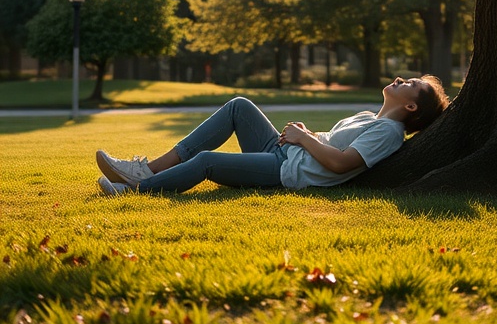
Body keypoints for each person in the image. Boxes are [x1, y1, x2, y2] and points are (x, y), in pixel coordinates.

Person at [96, 76, 449, 197]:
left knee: (206, 162)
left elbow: (341, 164)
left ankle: (138, 189)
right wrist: (306, 133)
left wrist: (301, 137)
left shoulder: (389, 132)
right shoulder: (369, 117)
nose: (402, 80)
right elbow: (331, 142)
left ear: (412, 109)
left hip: (286, 173)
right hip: (282, 153)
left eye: (411, 85)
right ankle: (150, 169)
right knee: (239, 106)